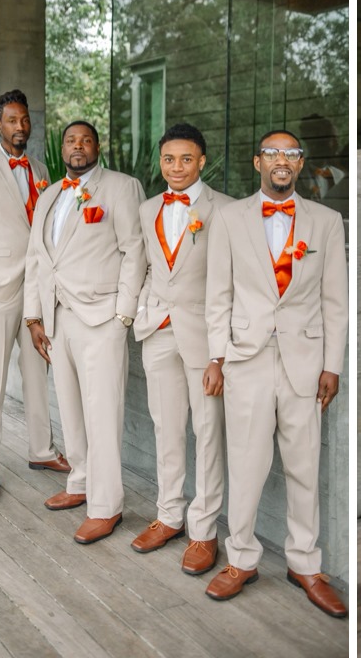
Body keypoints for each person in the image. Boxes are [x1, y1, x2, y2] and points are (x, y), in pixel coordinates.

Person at [202, 130, 348, 618]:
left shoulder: (326, 222)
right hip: (245, 359)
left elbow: (335, 300)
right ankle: (241, 557)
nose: (281, 161)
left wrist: (333, 365)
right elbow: (217, 295)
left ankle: (305, 563)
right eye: (272, 153)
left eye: (290, 154)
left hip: (306, 365)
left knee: (305, 466)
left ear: (301, 165)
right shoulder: (228, 218)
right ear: (256, 161)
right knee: (245, 464)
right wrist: (217, 357)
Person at [24, 120, 146, 544]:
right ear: (63, 148)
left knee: (102, 414)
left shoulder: (122, 187)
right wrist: (33, 317)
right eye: (71, 141)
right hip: (57, 320)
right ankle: (79, 482)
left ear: (98, 146)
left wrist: (124, 315)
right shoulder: (49, 195)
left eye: (86, 140)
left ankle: (106, 505)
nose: (79, 147)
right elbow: (37, 259)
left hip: (102, 318)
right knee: (71, 410)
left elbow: (135, 250)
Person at [130, 123, 233, 575]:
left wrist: (221, 353)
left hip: (205, 337)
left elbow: (231, 283)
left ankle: (204, 531)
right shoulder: (147, 208)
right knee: (165, 427)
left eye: (186, 159)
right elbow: (145, 266)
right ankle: (169, 514)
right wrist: (138, 312)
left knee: (208, 434)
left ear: (202, 161)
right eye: (169, 159)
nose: (176, 168)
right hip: (158, 329)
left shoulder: (225, 211)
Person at [0, 89, 69, 503]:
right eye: (12, 120)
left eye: (25, 120)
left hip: (37, 289)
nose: (20, 126)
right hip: (0, 289)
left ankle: (41, 450)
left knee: (38, 373)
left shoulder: (41, 168)